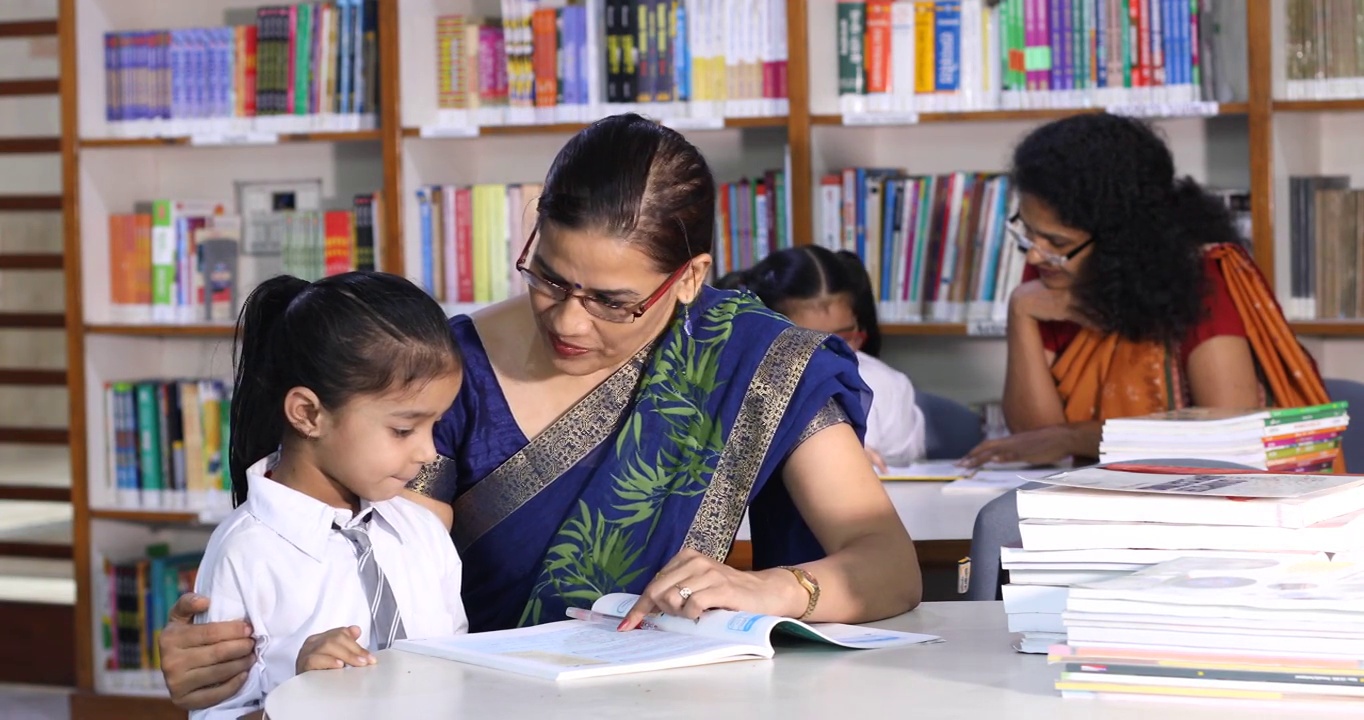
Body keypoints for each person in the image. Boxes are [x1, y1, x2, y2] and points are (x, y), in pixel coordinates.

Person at [158, 114, 922, 710]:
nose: (569, 323)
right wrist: (247, 655)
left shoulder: (752, 362)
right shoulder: (449, 378)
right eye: (549, 279)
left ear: (690, 279)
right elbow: (369, 571)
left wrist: (774, 589)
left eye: (614, 302)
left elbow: (885, 564)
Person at [961, 113, 1332, 469]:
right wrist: (1020, 312)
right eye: (1028, 231)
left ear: (1118, 241)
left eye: (1056, 241)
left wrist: (1076, 438)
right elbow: (1037, 440)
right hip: (1084, 501)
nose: (1038, 253)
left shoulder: (1203, 280)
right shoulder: (1051, 271)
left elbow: (1225, 437)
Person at [190, 272, 469, 719]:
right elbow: (214, 713)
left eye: (435, 425)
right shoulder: (245, 553)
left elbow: (458, 677)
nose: (428, 451)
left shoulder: (421, 535)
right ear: (308, 414)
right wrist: (300, 700)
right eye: (403, 429)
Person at [719, 246, 927, 469]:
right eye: (807, 344)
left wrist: (865, 469)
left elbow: (905, 474)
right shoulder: (727, 390)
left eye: (843, 338)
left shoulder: (889, 387)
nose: (829, 358)